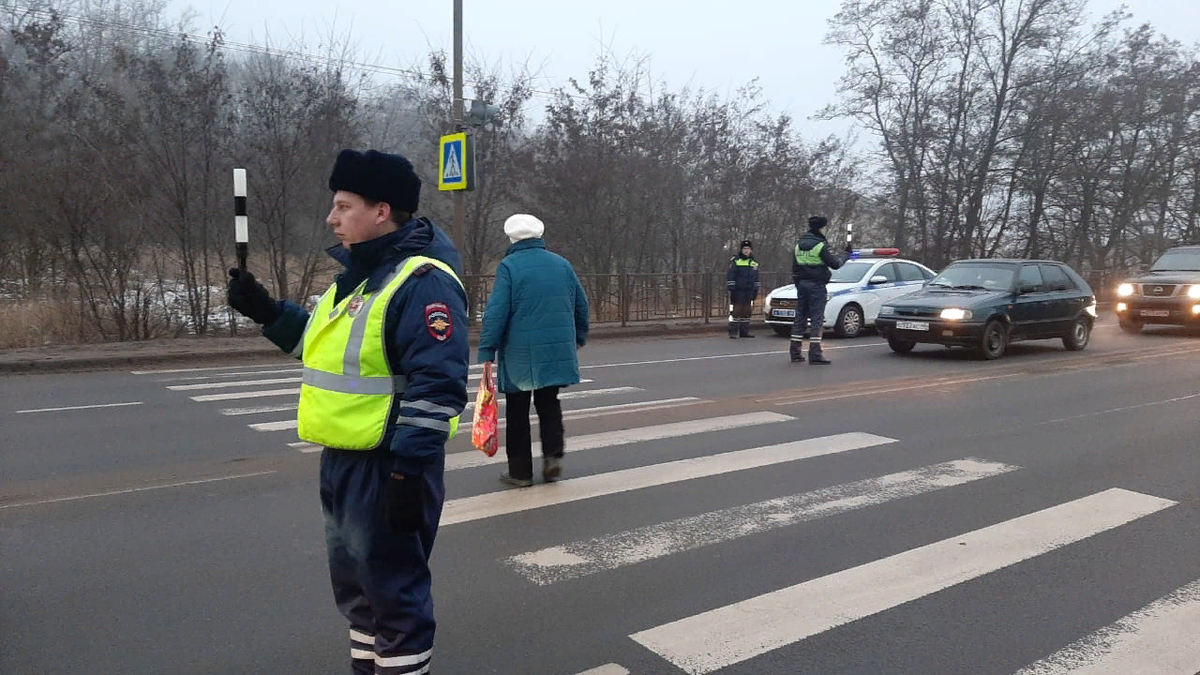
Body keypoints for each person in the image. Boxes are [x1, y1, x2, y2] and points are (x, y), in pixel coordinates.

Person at [225, 149, 469, 675]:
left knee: (394, 593)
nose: (331, 219)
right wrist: (266, 311)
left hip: (388, 465)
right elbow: (322, 350)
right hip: (343, 461)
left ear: (382, 211)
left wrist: (408, 471)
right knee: (360, 593)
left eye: (342, 206)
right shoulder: (356, 279)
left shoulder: (421, 281)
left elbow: (439, 384)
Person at [477, 213, 589, 488]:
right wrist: (580, 335)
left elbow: (497, 312)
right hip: (554, 349)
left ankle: (520, 472)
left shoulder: (510, 266)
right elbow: (581, 304)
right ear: (540, 236)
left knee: (517, 410)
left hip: (519, 353)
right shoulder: (562, 264)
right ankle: (552, 457)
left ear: (512, 238)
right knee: (549, 403)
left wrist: (487, 348)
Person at [790, 215, 852, 364]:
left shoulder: (798, 245)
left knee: (800, 318)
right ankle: (815, 354)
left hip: (802, 285)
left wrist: (799, 284)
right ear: (821, 228)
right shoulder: (820, 245)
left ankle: (795, 352)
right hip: (817, 285)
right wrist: (846, 254)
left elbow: (795, 269)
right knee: (817, 319)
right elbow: (835, 264)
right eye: (825, 227)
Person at [726, 239, 761, 338]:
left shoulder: (753, 262)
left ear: (751, 250)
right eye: (744, 248)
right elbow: (731, 275)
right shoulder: (736, 260)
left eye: (748, 248)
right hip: (738, 291)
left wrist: (756, 290)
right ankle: (733, 332)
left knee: (747, 312)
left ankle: (744, 332)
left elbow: (756, 277)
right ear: (741, 250)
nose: (746, 250)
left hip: (749, 291)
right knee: (736, 312)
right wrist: (731, 287)